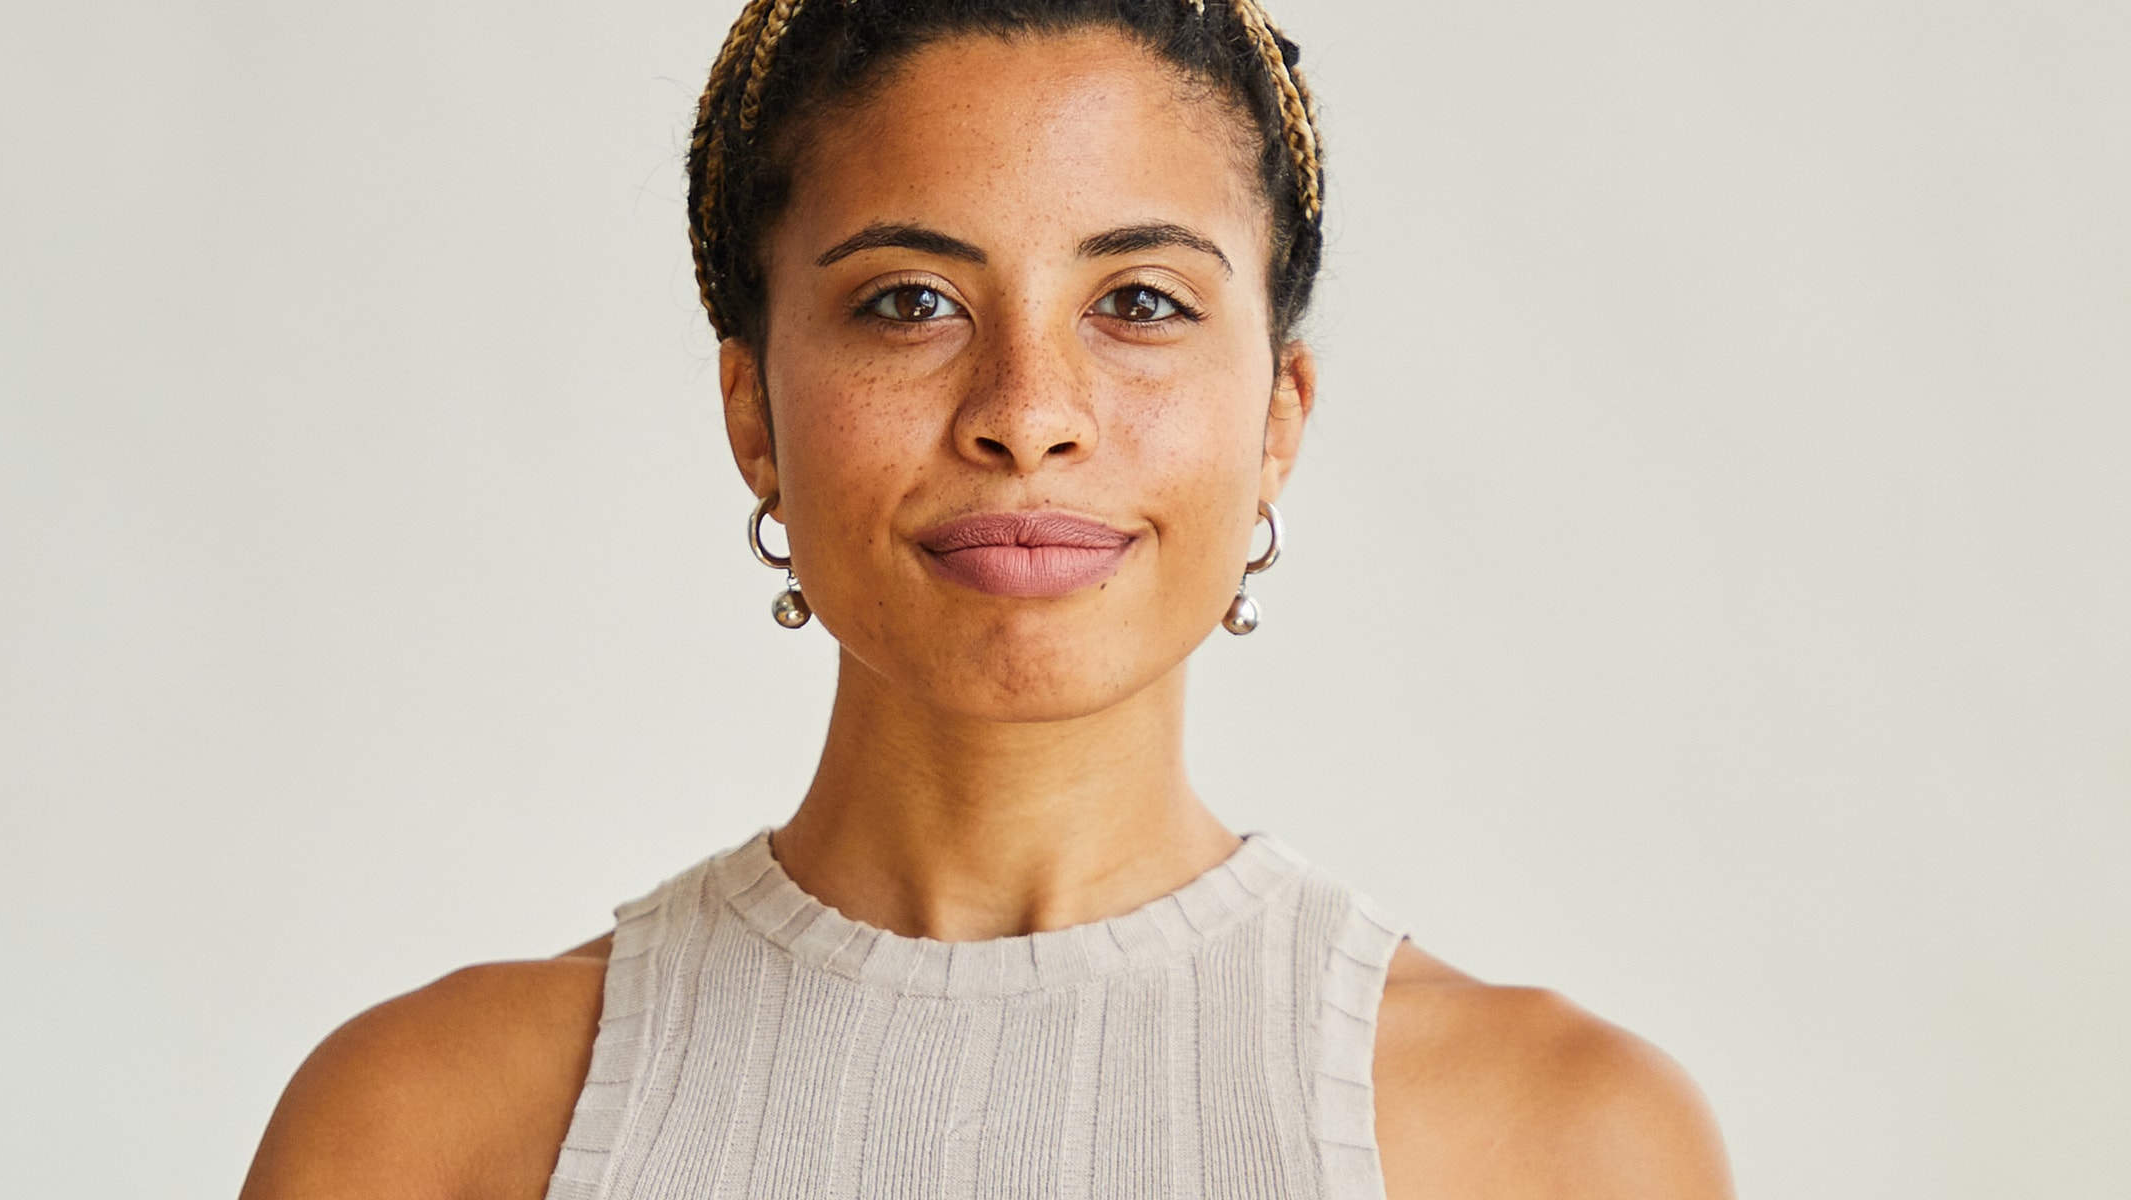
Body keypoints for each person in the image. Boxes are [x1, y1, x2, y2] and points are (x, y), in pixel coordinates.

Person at [239, 1, 1734, 1196]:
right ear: (753, 409)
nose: (1029, 411)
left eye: (1138, 303)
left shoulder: (1562, 1149)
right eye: (911, 302)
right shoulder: (422, 1135)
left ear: (1279, 414)